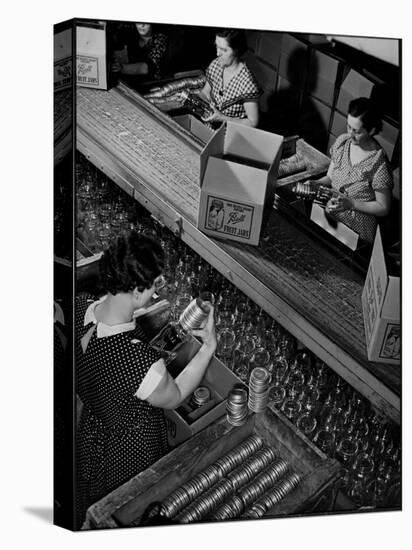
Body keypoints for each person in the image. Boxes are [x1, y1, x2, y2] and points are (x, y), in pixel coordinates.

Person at [75, 231, 216, 526]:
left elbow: (104, 344)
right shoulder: (136, 361)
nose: (156, 293)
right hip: (129, 448)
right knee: (130, 509)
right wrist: (208, 348)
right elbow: (175, 395)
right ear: (137, 291)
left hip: (93, 428)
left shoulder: (80, 308)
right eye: (154, 287)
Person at [310, 97, 393, 244]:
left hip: (356, 231)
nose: (350, 134)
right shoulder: (343, 142)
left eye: (357, 131)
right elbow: (330, 176)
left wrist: (351, 203)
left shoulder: (379, 165)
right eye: (349, 127)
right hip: (329, 216)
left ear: (372, 130)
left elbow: (383, 207)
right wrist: (317, 183)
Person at [196, 28, 261, 128]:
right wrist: (195, 99)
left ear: (236, 50)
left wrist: (222, 117)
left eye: (224, 50)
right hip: (209, 127)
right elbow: (205, 92)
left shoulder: (247, 83)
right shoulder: (215, 64)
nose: (218, 54)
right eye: (217, 47)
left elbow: (252, 122)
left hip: (233, 132)